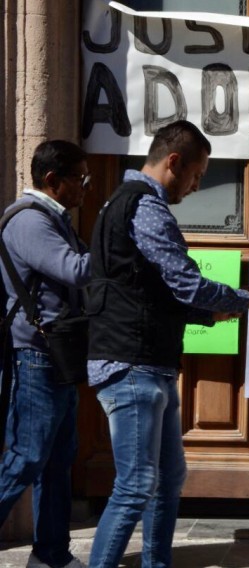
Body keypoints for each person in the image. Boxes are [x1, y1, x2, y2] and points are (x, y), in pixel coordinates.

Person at [86, 120, 249, 568]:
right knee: (136, 484)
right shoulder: (144, 206)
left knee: (167, 478)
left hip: (147, 362)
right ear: (173, 162)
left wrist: (219, 309)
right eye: (197, 176)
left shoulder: (119, 203)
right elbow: (185, 282)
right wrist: (247, 299)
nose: (196, 187)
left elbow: (153, 290)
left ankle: (157, 563)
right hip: (132, 363)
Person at [0, 140, 91, 568]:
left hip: (57, 355)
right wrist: (118, 254)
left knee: (58, 459)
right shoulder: (31, 221)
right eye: (80, 179)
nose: (85, 188)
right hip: (34, 355)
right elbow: (73, 270)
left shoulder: (55, 219)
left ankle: (51, 554)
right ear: (53, 181)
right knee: (27, 457)